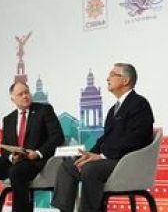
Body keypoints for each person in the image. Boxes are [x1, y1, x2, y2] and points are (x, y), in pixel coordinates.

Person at [51, 63, 154, 212]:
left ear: (125, 81)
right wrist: (88, 155)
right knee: (69, 166)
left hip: (126, 162)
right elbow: (105, 138)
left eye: (112, 74)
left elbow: (136, 140)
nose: (107, 78)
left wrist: (102, 156)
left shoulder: (139, 104)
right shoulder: (114, 109)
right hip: (110, 160)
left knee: (91, 169)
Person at [0, 81, 64, 212]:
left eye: (27, 92)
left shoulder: (44, 110)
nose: (25, 96)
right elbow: (4, 148)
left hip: (34, 161)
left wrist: (38, 153)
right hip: (15, 161)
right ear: (13, 98)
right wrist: (11, 157)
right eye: (20, 94)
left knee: (16, 171)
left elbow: (57, 137)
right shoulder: (8, 119)